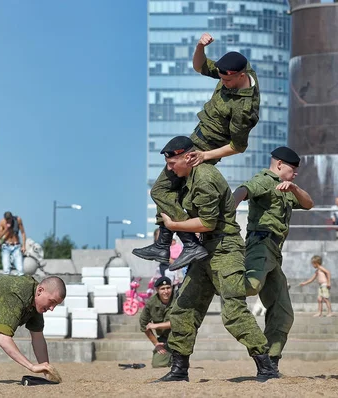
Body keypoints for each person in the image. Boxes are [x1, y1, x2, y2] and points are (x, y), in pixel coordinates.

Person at [154, 136, 278, 383]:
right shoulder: (189, 177)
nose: (169, 169)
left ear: (189, 157)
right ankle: (179, 369)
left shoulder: (206, 178)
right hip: (204, 251)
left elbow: (207, 222)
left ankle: (267, 366)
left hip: (225, 250)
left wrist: (173, 224)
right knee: (183, 308)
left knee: (233, 313)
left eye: (172, 163)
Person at [134, 32, 261, 271]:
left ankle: (188, 244)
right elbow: (200, 66)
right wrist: (199, 47)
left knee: (160, 189)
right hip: (196, 139)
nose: (223, 83)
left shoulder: (243, 108)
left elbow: (238, 146)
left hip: (204, 150)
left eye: (228, 81)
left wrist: (204, 156)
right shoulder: (236, 69)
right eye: (221, 78)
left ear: (241, 76)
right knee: (169, 192)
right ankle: (163, 244)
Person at [233, 146, 313, 374]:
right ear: (279, 165)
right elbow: (242, 191)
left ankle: (270, 363)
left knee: (283, 312)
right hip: (260, 244)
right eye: (293, 169)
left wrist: (295, 188)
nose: (295, 172)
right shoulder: (265, 180)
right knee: (250, 287)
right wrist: (226, 212)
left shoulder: (288, 188)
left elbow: (309, 204)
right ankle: (219, 277)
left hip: (275, 253)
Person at [139, 276, 174, 368]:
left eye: (168, 288)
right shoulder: (151, 303)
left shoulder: (178, 300)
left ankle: (177, 357)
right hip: (164, 338)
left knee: (181, 363)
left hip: (180, 337)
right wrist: (156, 344)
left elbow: (178, 322)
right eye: (162, 289)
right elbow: (143, 324)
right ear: (157, 290)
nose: (166, 291)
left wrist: (156, 326)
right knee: (158, 364)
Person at [0, 211, 27, 276]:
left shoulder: (18, 220)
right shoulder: (2, 222)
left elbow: (23, 233)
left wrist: (24, 246)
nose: (8, 222)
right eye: (7, 220)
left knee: (20, 269)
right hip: (6, 246)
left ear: (12, 217)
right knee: (6, 269)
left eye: (9, 219)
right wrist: (6, 229)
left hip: (16, 246)